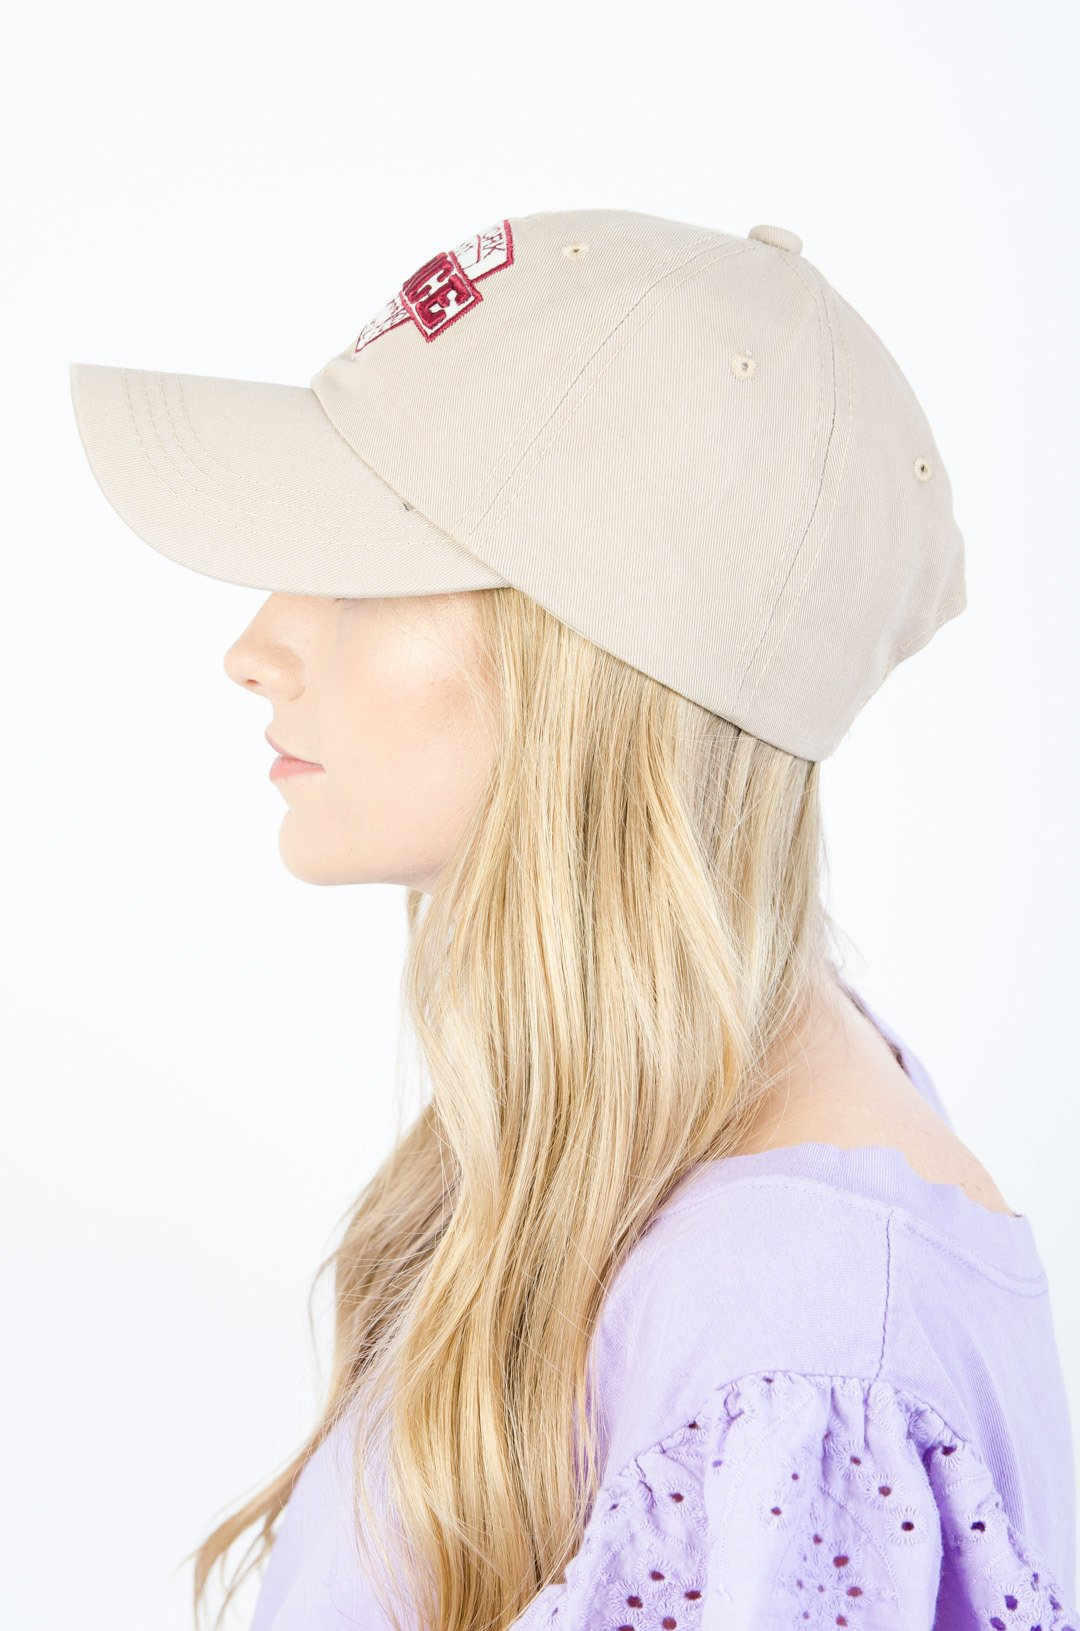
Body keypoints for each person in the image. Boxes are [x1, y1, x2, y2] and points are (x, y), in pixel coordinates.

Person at [69, 208, 1077, 1631]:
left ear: (593, 661)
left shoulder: (800, 1359)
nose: (256, 647)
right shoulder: (674, 1131)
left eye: (362, 565)